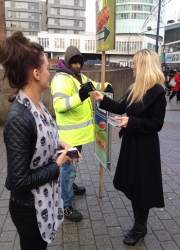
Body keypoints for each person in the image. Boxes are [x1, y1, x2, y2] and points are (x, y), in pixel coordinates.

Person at [0, 31, 81, 250]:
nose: (50, 73)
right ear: (36, 73)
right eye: (47, 68)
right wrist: (57, 164)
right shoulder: (19, 118)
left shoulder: (37, 105)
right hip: (29, 209)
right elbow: (18, 181)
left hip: (40, 203)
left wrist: (61, 145)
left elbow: (40, 141)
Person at [92, 49, 166, 246]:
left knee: (143, 188)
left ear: (143, 65)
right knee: (133, 184)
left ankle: (140, 227)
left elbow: (156, 124)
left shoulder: (158, 92)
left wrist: (130, 122)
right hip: (131, 144)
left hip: (145, 148)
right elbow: (119, 107)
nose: (131, 66)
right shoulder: (136, 87)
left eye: (134, 63)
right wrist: (102, 99)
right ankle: (138, 224)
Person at [51, 45, 113, 222]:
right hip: (69, 138)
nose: (78, 65)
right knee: (68, 170)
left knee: (72, 167)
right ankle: (66, 206)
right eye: (74, 62)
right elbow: (59, 106)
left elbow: (95, 86)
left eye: (80, 62)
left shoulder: (79, 76)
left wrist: (107, 87)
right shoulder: (61, 79)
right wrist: (80, 96)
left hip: (77, 135)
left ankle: (70, 187)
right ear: (68, 61)